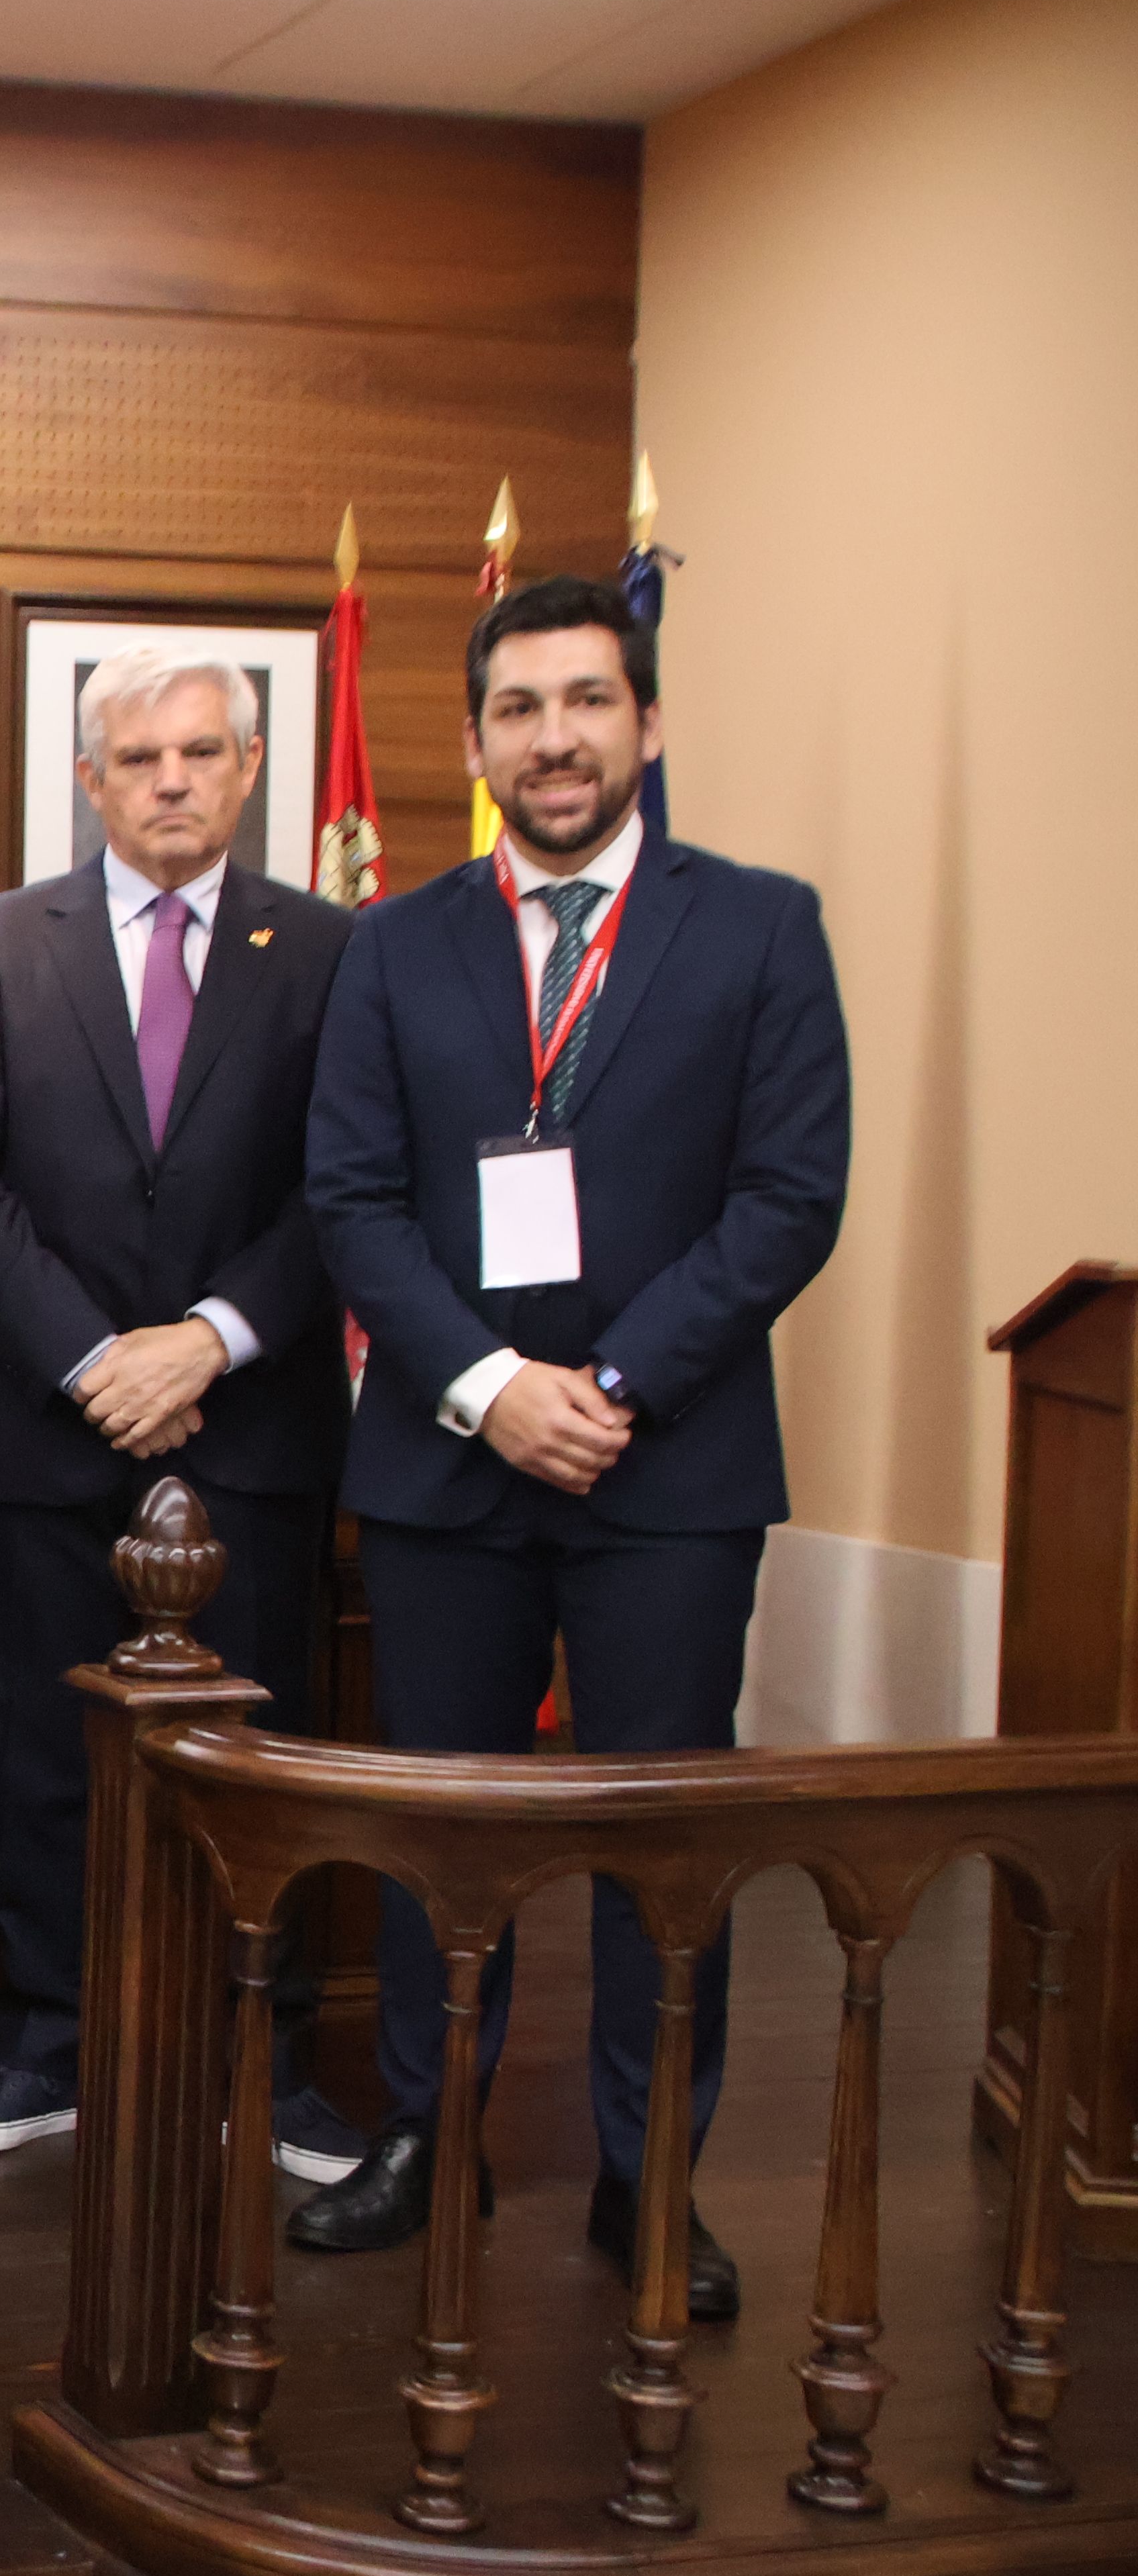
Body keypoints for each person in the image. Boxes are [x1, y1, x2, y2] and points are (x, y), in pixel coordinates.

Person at [291, 572, 849, 2321]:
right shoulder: (392, 941)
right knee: (434, 1828)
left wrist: (606, 1384)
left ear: (647, 723)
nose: (555, 738)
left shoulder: (762, 927)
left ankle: (648, 2176)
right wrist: (486, 1388)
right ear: (475, 744)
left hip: (668, 1473)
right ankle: (429, 2137)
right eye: (520, 710)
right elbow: (351, 1200)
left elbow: (789, 1199)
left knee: (656, 1839)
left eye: (588, 702)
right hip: (448, 1468)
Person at [0, 647, 365, 2177]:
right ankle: (50, 2044)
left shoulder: (333, 948)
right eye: (138, 757)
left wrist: (211, 1341)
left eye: (200, 752)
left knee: (259, 1754)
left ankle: (267, 2054)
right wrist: (103, 1357)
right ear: (91, 779)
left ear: (247, 769)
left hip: (253, 1426)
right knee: (45, 1752)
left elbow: (351, 1186)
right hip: (46, 1427)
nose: (170, 779)